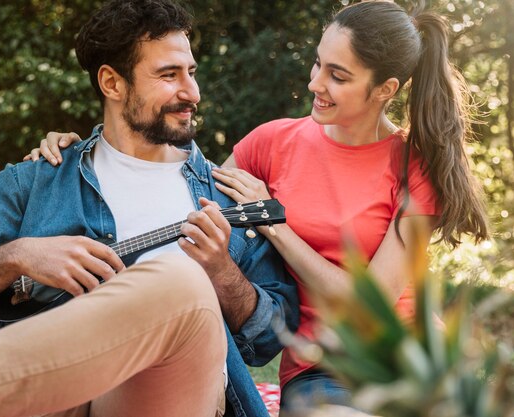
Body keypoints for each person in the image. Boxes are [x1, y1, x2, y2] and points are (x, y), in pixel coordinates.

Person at [34, 0, 489, 413]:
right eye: (318, 64)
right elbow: (178, 189)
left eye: (339, 75)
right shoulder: (273, 142)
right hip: (325, 370)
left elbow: (370, 305)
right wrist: (87, 151)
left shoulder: (416, 166)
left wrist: (273, 222)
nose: (316, 83)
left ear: (385, 88)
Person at [0, 1, 300, 416]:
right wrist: (16, 256)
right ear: (112, 82)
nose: (192, 92)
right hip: (50, 400)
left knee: (178, 281)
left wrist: (222, 273)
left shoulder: (229, 198)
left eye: (190, 72)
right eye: (168, 75)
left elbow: (268, 340)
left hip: (165, 400)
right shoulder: (37, 180)